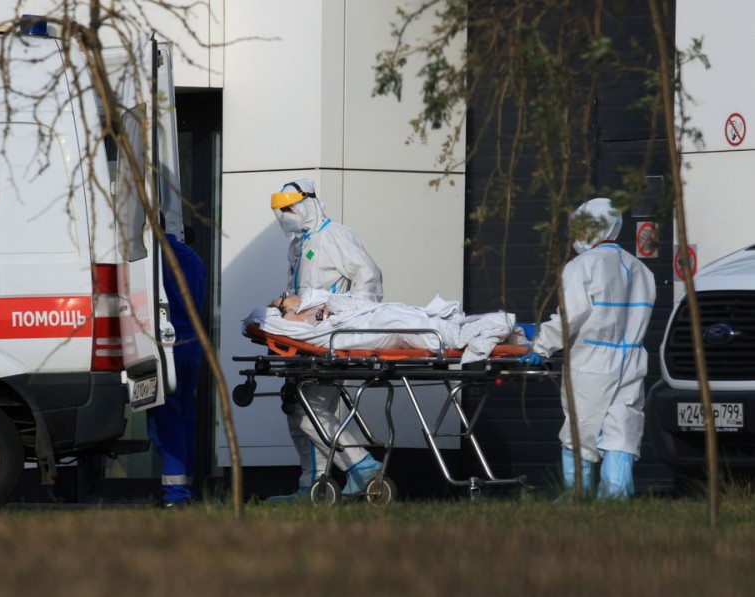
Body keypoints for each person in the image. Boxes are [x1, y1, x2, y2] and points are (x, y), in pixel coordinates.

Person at [520, 197, 656, 499]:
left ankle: (576, 497)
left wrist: (540, 346)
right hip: (631, 360)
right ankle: (615, 499)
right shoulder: (641, 271)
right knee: (622, 429)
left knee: (580, 432)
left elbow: (570, 317)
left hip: (591, 361)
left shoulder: (581, 266)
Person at [268, 178, 384, 501]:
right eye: (281, 211)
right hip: (308, 341)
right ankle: (313, 486)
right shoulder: (299, 245)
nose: (285, 215)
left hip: (329, 340)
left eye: (289, 208)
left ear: (308, 203)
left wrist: (336, 314)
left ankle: (363, 466)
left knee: (310, 412)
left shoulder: (334, 237)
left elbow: (370, 280)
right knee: (298, 411)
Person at [254, 289, 517, 363]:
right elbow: (276, 321)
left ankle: (476, 329)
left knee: (407, 318)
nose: (291, 293)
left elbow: (354, 304)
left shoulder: (314, 299)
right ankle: (470, 333)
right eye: (285, 296)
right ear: (284, 310)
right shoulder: (297, 321)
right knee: (401, 324)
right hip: (380, 325)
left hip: (379, 315)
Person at [147, 232, 207, 507]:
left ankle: (176, 495)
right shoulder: (193, 259)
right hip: (191, 345)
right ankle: (187, 486)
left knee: (166, 420)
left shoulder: (149, 257)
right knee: (185, 416)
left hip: (165, 346)